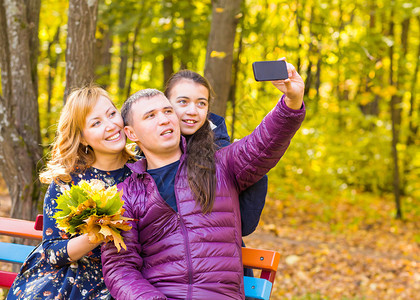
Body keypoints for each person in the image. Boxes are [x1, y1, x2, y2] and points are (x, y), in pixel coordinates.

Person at [101, 59, 305, 299]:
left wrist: (292, 100)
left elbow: (264, 141)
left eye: (167, 111)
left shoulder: (221, 165)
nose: (164, 119)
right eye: (150, 116)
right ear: (131, 133)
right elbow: (120, 268)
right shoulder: (125, 194)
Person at [7, 85, 134, 299]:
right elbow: (52, 253)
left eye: (112, 113)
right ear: (83, 138)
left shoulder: (143, 171)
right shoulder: (68, 181)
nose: (111, 125)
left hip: (126, 277)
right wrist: (95, 234)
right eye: (96, 123)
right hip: (69, 280)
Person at [163, 70, 268, 240]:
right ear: (165, 105)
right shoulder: (148, 151)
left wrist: (251, 166)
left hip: (218, 257)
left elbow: (245, 226)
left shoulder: (222, 153)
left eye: (201, 103)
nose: (192, 111)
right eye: (183, 102)